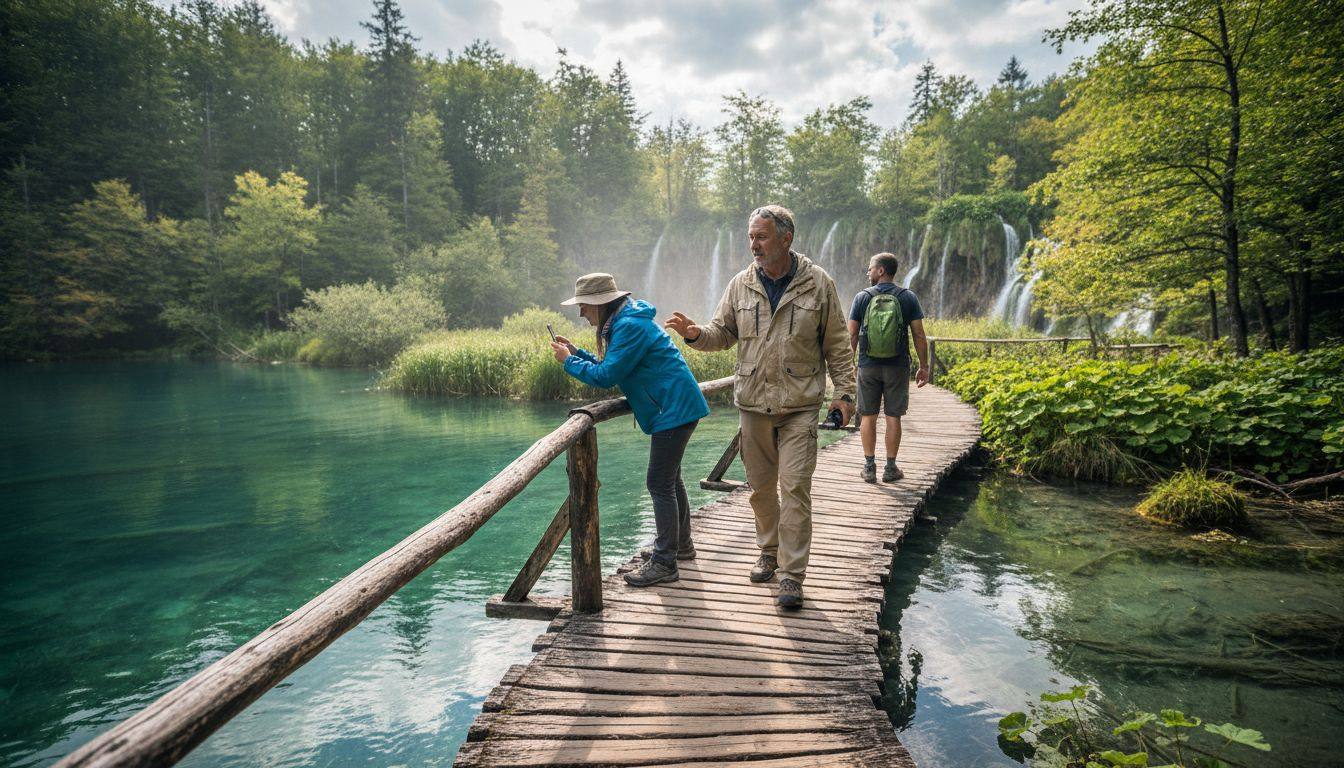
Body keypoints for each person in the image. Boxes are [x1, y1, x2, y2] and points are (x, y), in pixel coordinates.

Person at [665, 205, 855, 610]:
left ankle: (792, 575)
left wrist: (845, 394)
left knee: (795, 488)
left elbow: (838, 344)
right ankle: (768, 552)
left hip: (800, 405)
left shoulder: (818, 283)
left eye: (762, 237)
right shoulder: (741, 284)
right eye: (751, 237)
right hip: (753, 404)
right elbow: (723, 333)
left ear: (786, 238)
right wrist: (695, 334)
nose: (754, 244)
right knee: (761, 489)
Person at [552, 272, 710, 587]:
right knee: (670, 480)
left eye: (583, 305)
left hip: (672, 408)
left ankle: (664, 563)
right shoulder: (626, 321)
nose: (581, 313)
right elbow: (612, 364)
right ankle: (680, 547)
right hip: (676, 406)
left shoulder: (628, 326)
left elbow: (605, 376)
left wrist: (568, 363)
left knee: (659, 483)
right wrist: (577, 353)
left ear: (600, 303)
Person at [847, 252, 929, 484]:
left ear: (881, 270)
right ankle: (891, 468)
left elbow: (852, 334)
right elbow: (919, 334)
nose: (868, 272)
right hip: (897, 366)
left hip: (868, 366)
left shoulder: (862, 297)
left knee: (868, 416)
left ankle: (869, 467)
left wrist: (849, 364)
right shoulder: (908, 297)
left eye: (870, 268)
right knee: (894, 416)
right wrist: (924, 366)